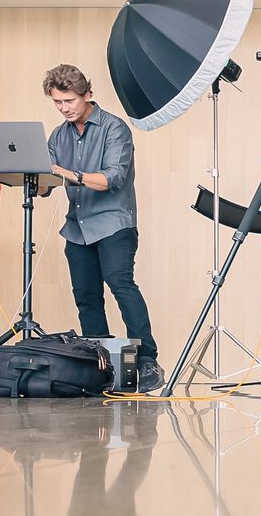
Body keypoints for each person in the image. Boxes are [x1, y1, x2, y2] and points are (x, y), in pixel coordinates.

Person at [36, 64, 165, 394]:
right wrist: (35, 176)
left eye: (69, 101)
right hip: (77, 229)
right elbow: (47, 183)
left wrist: (66, 172)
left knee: (121, 285)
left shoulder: (114, 128)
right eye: (57, 102)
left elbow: (112, 178)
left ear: (87, 95)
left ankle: (148, 360)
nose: (64, 108)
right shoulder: (58, 136)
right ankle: (103, 363)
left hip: (113, 224)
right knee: (87, 298)